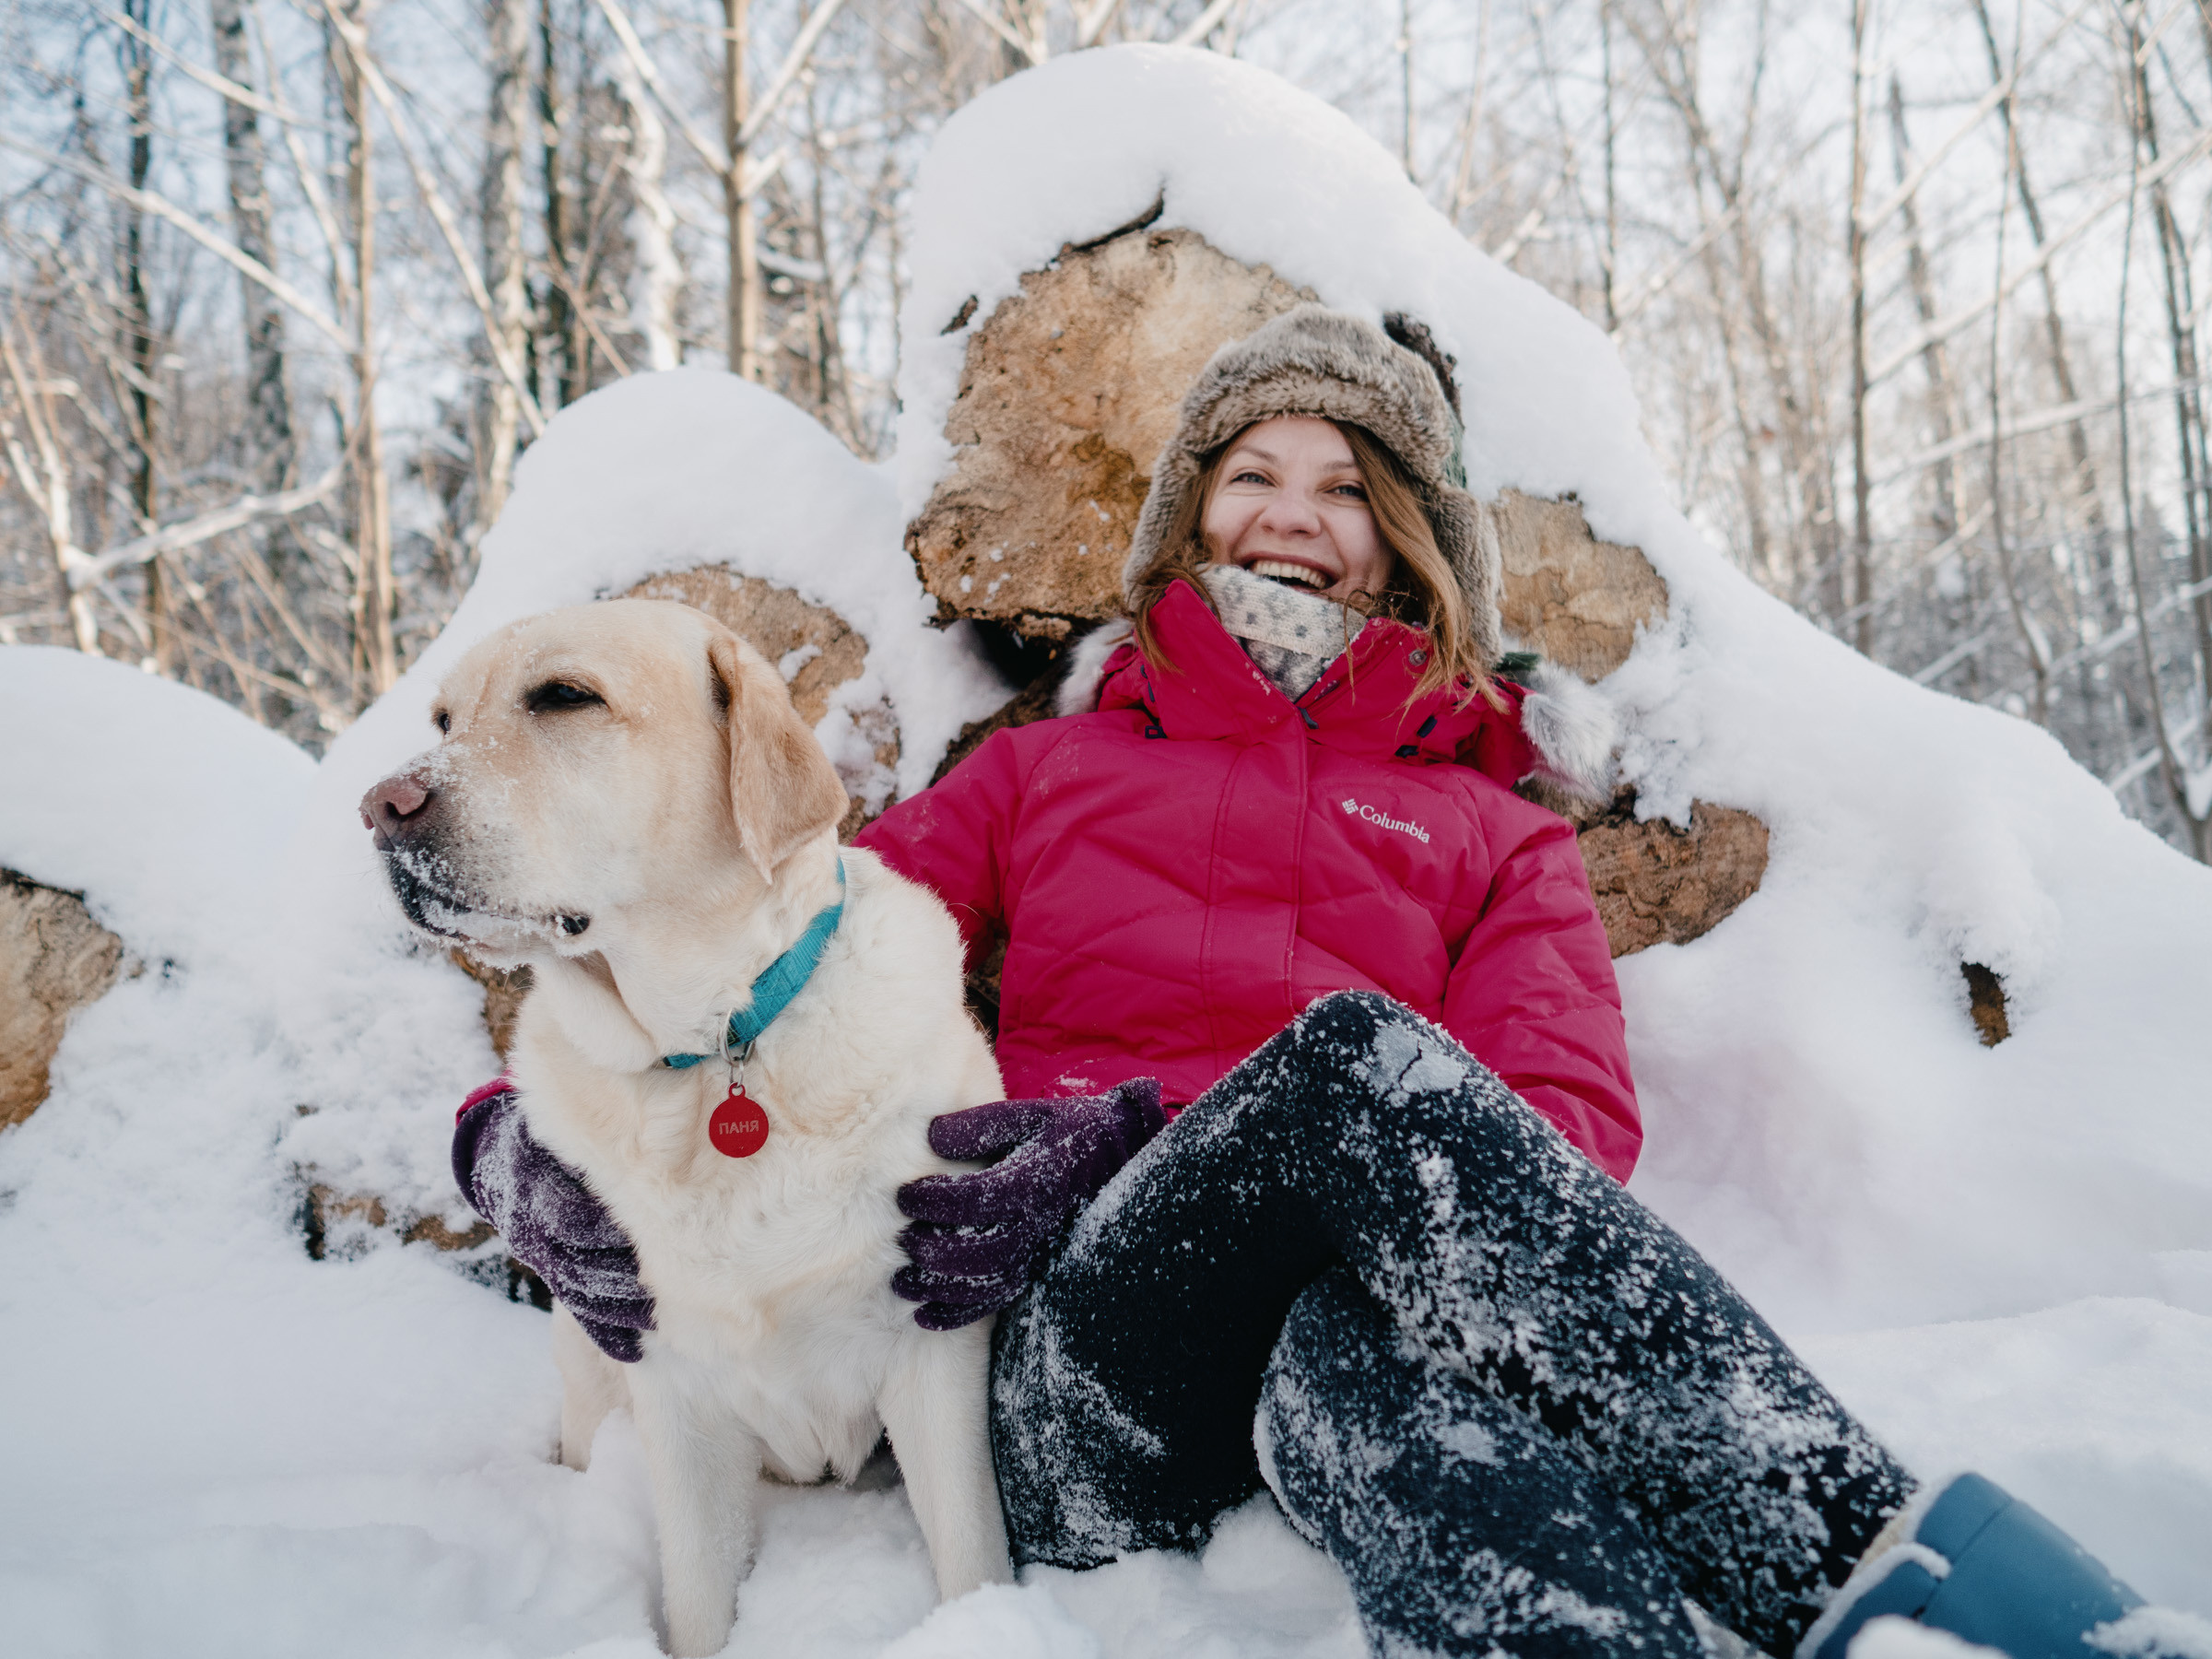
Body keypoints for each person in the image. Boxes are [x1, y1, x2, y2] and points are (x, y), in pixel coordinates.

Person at [454, 307, 2154, 1659]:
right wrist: (512, 1143)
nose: (1293, 514)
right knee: (1355, 1060)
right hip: (1069, 1371)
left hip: (1343, 1347)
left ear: (1409, 544)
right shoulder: (1046, 778)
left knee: (1379, 1382)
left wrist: (1166, 1138)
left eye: (1346, 486)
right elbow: (760, 951)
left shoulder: (1498, 832)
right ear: (1192, 512)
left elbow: (1551, 1142)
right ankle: (1889, 1560)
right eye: (1252, 471)